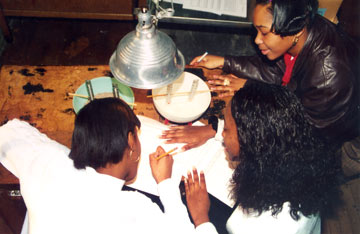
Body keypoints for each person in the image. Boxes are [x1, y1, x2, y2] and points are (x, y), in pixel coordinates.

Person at [163, 0, 360, 178]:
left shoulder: (328, 76)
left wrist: (217, 130)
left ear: (295, 31)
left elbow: (295, 132)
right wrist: (225, 62)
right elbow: (277, 70)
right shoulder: (301, 29)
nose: (257, 40)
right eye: (256, 30)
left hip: (339, 143)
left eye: (264, 32)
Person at [0, 98, 217, 234]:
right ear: (131, 142)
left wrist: (13, 123)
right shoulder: (136, 210)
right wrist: (198, 215)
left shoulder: (48, 162)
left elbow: (11, 133)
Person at [184, 81, 342, 234]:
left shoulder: (259, 226)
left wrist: (201, 218)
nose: (223, 134)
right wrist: (215, 131)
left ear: (251, 141)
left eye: (226, 128)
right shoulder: (296, 155)